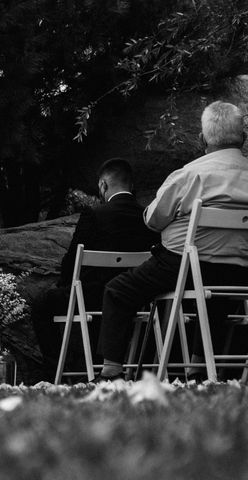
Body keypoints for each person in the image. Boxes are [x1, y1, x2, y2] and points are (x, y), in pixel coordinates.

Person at [96, 101, 248, 381]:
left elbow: (153, 220)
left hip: (184, 266)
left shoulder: (189, 175)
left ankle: (111, 372)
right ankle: (200, 370)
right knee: (217, 301)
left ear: (202, 139)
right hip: (240, 272)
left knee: (119, 290)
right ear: (244, 138)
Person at [31, 159, 158, 382]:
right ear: (131, 185)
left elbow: (72, 262)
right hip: (134, 298)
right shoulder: (147, 217)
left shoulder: (94, 215)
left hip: (90, 297)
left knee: (42, 304)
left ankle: (52, 373)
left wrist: (65, 285)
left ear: (103, 186)